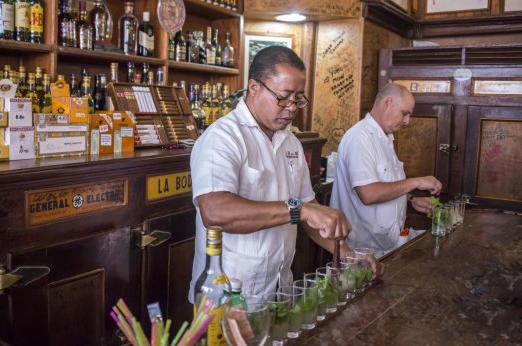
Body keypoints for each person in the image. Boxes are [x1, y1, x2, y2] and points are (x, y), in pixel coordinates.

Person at [188, 46, 381, 302]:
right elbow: (215, 212)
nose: (291, 108)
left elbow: (309, 210)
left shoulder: (290, 141)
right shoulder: (222, 137)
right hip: (228, 295)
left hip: (279, 289)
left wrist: (347, 254)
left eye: (298, 98)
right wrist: (299, 209)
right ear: (254, 87)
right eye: (283, 97)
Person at [330, 83, 442, 257]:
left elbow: (386, 185)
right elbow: (368, 193)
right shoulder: (360, 138)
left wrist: (410, 199)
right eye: (405, 113)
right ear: (387, 103)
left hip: (386, 247)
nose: (407, 121)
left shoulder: (386, 138)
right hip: (361, 251)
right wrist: (416, 182)